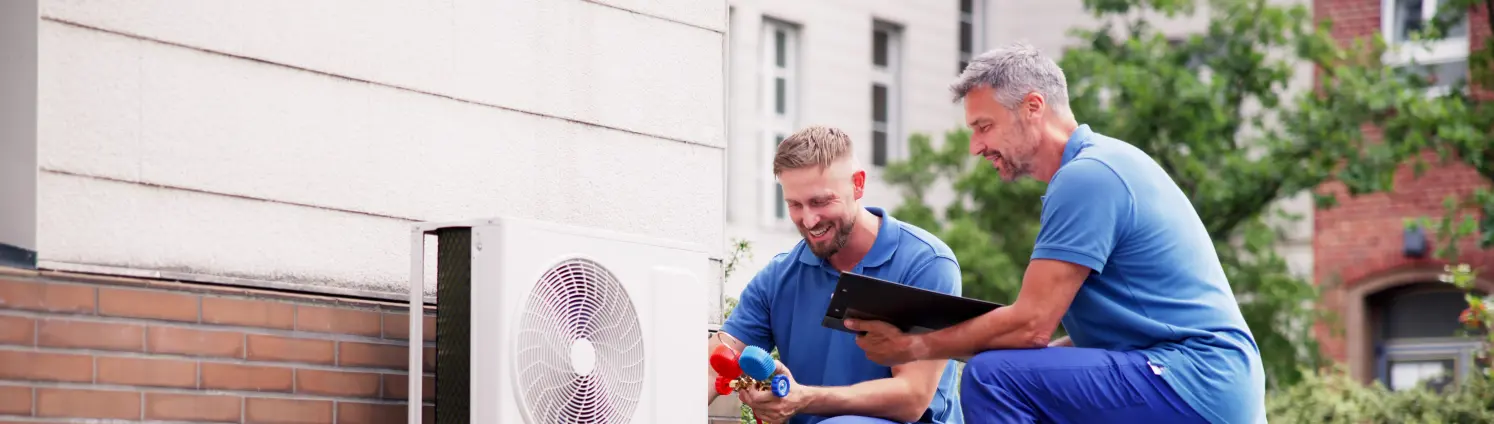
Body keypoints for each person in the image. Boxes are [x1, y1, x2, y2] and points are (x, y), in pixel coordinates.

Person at [845, 42, 1267, 424]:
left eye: (984, 126)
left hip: (1195, 379)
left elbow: (1031, 325)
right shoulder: (1103, 164)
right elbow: (1074, 340)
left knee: (993, 379)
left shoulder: (1087, 177)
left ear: (1033, 107)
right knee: (1016, 370)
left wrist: (914, 347)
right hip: (1202, 382)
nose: (975, 146)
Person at [709, 126, 965, 424]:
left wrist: (803, 398)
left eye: (820, 202)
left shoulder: (925, 264)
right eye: (794, 204)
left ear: (858, 185)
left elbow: (912, 397)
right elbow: (713, 364)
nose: (808, 219)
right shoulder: (779, 278)